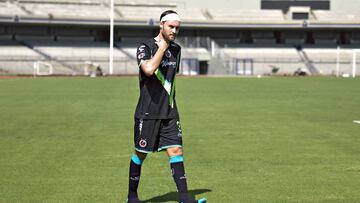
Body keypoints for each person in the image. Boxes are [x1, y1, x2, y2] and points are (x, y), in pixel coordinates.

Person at [126, 10, 207, 203]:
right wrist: (161, 49)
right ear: (161, 25)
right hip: (147, 112)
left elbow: (170, 78)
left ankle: (185, 199)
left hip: (170, 111)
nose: (174, 31)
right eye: (171, 27)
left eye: (177, 28)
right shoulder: (145, 47)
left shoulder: (177, 50)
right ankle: (132, 196)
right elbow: (148, 70)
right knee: (140, 153)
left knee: (176, 151)